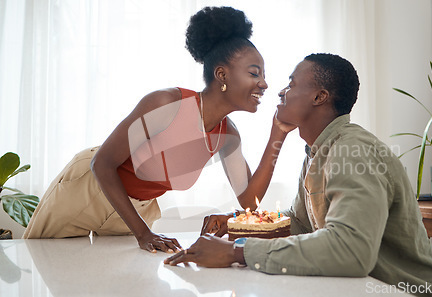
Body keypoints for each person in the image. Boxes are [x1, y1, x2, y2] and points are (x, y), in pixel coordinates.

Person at [165, 53, 432, 297]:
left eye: (290, 84)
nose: (280, 92)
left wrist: (237, 252)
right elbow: (301, 223)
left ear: (319, 96)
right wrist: (238, 225)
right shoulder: (318, 151)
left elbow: (350, 250)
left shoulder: (352, 151)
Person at [23, 6, 293, 253]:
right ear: (222, 75)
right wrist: (143, 234)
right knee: (40, 263)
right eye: (255, 73)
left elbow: (249, 201)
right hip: (91, 187)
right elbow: (102, 164)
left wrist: (277, 134)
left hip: (133, 210)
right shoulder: (167, 103)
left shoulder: (228, 135)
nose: (264, 84)